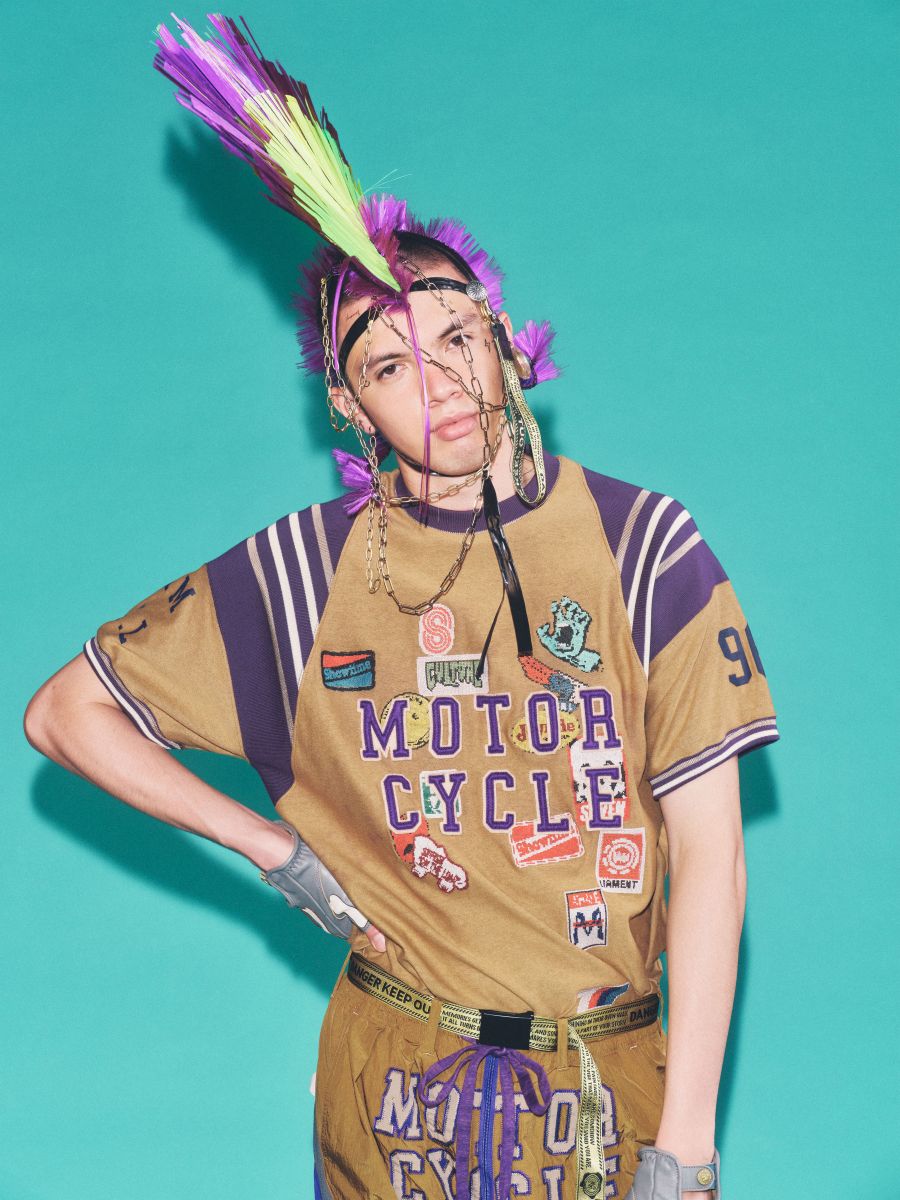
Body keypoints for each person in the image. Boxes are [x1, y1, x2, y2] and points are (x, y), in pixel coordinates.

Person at [23, 14, 780, 1200]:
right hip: (396, 1091)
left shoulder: (646, 548)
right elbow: (65, 714)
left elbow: (712, 856)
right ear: (350, 407)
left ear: (506, 342)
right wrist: (271, 847)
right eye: (389, 365)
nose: (439, 382)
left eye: (456, 337)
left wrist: (684, 1146)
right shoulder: (304, 575)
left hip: (608, 1085)